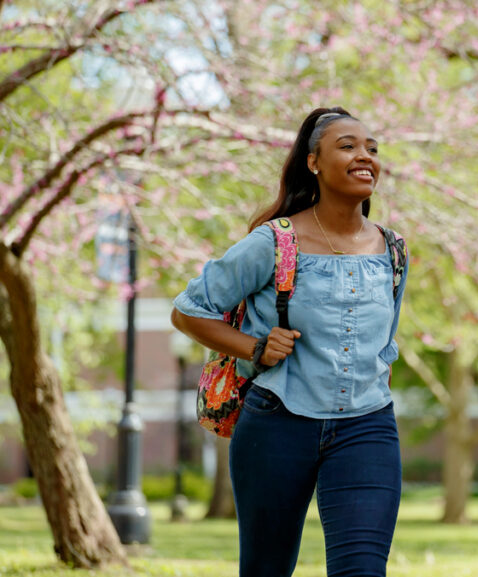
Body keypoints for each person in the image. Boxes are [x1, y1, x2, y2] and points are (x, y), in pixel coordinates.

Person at [171, 107, 407, 577]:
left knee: (362, 570)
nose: (365, 156)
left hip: (367, 427)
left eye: (372, 148)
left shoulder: (393, 249)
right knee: (266, 568)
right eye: (348, 146)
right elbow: (188, 310)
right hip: (278, 423)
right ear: (313, 162)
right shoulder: (275, 243)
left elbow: (385, 340)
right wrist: (254, 347)